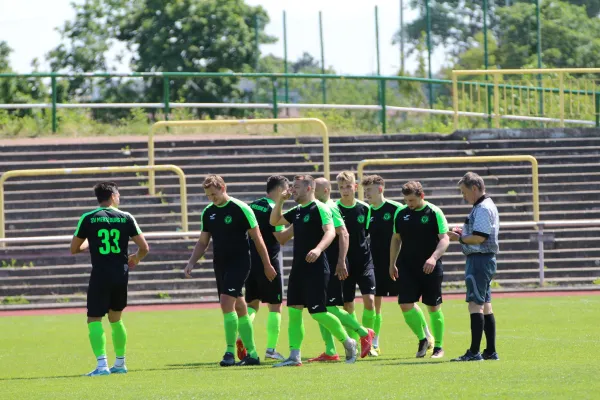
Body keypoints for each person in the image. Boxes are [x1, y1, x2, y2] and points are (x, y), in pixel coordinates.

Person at [184, 175, 277, 367]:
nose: (212, 198)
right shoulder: (208, 212)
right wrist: (192, 262)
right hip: (220, 264)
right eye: (208, 195)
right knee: (241, 308)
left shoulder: (242, 208)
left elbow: (258, 240)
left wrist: (267, 265)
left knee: (226, 303)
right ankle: (252, 354)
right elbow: (203, 242)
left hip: (240, 262)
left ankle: (229, 352)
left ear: (223, 188)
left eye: (214, 194)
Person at [270, 174, 358, 367]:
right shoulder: (298, 210)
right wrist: (280, 201)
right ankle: (294, 355)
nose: (293, 190)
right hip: (298, 268)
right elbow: (274, 221)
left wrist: (318, 249)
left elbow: (331, 231)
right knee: (294, 311)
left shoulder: (320, 208)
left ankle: (348, 342)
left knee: (318, 312)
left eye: (297, 187)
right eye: (292, 186)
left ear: (309, 188)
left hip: (317, 268)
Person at [70, 182, 149, 376]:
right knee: (116, 318)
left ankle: (102, 365)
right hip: (120, 274)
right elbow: (144, 248)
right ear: (113, 196)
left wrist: (89, 243)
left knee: (94, 318)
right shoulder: (126, 217)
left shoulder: (88, 218)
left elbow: (74, 249)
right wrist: (135, 259)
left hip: (100, 274)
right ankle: (120, 363)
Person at [361, 175, 433, 355]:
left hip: (398, 265)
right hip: (375, 265)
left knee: (408, 301)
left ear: (379, 189)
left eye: (369, 190)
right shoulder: (369, 211)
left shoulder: (396, 209)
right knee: (376, 304)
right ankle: (375, 343)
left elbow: (402, 235)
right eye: (365, 191)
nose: (366, 194)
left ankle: (426, 334)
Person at [307, 177, 374, 362]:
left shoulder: (330, 207)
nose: (311, 191)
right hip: (321, 263)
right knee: (320, 308)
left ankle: (363, 332)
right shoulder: (318, 206)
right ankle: (330, 350)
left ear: (326, 190)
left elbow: (344, 233)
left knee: (328, 307)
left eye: (315, 189)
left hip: (331, 264)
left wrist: (341, 261)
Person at [389, 181, 449, 359]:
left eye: (412, 200)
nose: (409, 204)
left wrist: (433, 258)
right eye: (407, 200)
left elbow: (444, 239)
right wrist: (392, 263)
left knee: (433, 307)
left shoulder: (434, 212)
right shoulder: (401, 213)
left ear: (421, 196)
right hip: (407, 267)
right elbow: (396, 238)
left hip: (430, 267)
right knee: (405, 304)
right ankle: (423, 338)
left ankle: (438, 346)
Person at [448, 172, 500, 362]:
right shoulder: (483, 206)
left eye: (464, 192)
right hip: (484, 259)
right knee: (485, 305)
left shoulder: (483, 208)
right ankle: (490, 351)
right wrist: (463, 232)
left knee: (475, 305)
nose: (463, 196)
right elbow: (478, 233)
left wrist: (459, 238)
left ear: (475, 189)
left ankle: (474, 352)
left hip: (479, 260)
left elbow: (479, 237)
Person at [244, 175, 294, 361]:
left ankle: (242, 337)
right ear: (281, 190)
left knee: (252, 305)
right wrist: (298, 224)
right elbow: (281, 239)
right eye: (287, 189)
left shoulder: (251, 205)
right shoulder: (274, 209)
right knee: (275, 307)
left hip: (250, 261)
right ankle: (271, 349)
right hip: (270, 262)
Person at [335, 171, 376, 346]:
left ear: (355, 187)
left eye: (348, 186)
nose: (345, 190)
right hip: (344, 263)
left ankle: (370, 342)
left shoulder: (364, 209)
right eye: (341, 187)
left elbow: (366, 234)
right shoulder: (334, 208)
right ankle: (354, 341)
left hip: (364, 261)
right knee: (348, 305)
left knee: (370, 300)